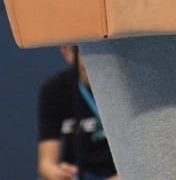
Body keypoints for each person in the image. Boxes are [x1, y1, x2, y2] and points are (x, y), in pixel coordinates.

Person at [38, 45, 118, 180]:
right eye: (80, 48)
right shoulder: (54, 90)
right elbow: (46, 164)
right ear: (66, 53)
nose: (89, 54)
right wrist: (57, 174)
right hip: (78, 174)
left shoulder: (125, 85)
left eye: (93, 45)